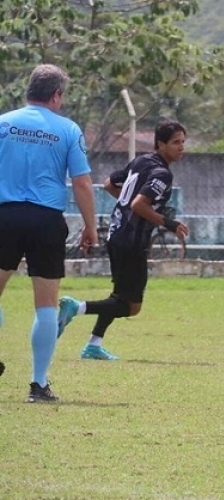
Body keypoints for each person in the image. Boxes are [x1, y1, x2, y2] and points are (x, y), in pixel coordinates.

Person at [0, 64, 98, 402]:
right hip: (46, 220)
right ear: (56, 95)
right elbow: (83, 183)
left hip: (5, 215)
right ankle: (38, 385)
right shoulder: (68, 129)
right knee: (46, 305)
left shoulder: (3, 123)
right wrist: (90, 226)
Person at [56, 119, 189, 360]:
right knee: (132, 306)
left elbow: (109, 184)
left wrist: (128, 205)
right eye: (175, 142)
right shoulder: (162, 173)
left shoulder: (141, 161)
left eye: (183, 142)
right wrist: (169, 223)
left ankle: (93, 345)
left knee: (119, 296)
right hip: (132, 241)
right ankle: (77, 307)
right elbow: (139, 204)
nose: (181, 147)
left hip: (117, 234)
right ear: (161, 144)